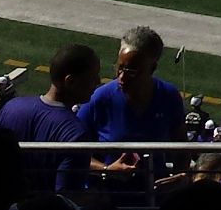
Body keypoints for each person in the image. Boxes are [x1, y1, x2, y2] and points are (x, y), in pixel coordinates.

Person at [78, 25, 184, 195]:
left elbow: (182, 149)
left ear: (152, 68)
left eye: (131, 71)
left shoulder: (169, 97)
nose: (121, 77)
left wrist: (180, 176)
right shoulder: (99, 99)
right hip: (108, 198)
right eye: (119, 68)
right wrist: (106, 169)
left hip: (155, 197)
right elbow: (71, 152)